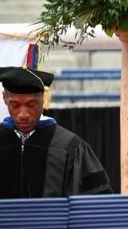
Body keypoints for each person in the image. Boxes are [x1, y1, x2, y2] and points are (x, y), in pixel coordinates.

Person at [0, 65, 113, 198]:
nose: (23, 114)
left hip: (53, 219)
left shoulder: (69, 146)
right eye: (15, 105)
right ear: (4, 98)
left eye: (31, 105)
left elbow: (95, 204)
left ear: (44, 99)